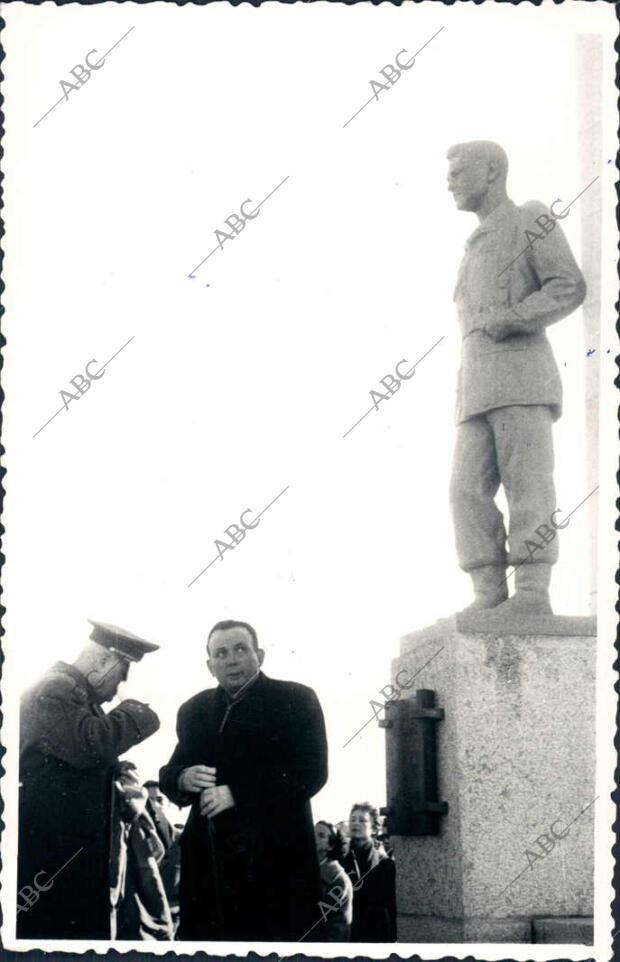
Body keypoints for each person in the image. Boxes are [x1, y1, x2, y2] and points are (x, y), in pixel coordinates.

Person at [447, 140, 586, 614]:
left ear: (491, 172)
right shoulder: (475, 244)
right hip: (477, 389)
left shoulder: (528, 218)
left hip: (523, 379)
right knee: (465, 490)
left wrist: (516, 316)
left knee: (527, 484)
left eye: (459, 171)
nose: (451, 181)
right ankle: (488, 592)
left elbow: (567, 284)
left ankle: (531, 592)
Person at [159, 619, 328, 941]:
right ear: (210, 666)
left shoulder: (296, 699)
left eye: (240, 649)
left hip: (275, 866)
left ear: (259, 655)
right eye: (220, 653)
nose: (231, 660)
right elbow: (170, 771)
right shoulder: (194, 710)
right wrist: (181, 777)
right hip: (207, 866)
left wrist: (238, 794)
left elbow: (312, 772)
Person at [17, 620, 161, 939]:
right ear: (102, 661)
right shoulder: (56, 688)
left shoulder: (79, 699)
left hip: (67, 861)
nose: (116, 690)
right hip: (52, 864)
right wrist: (134, 705)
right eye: (122, 674)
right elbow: (91, 746)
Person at [342, 802, 396, 942]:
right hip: (345, 932)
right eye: (352, 819)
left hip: (374, 933)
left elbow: (391, 906)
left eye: (362, 820)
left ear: (374, 828)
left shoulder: (385, 864)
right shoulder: (339, 858)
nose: (356, 823)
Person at [313, 821, 353, 941]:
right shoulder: (302, 870)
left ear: (330, 846)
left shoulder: (339, 881)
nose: (313, 838)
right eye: (312, 833)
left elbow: (337, 931)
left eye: (321, 835)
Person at [143, 780, 174, 849]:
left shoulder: (183, 839)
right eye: (149, 802)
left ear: (169, 803)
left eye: (159, 800)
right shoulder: (138, 837)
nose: (155, 805)